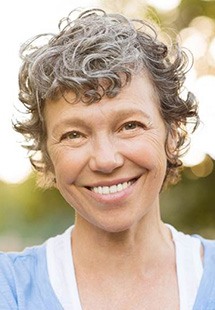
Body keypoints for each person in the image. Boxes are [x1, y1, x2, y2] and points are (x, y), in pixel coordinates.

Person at [0, 8, 215, 310]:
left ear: (173, 134)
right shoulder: (9, 289)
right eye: (74, 134)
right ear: (47, 154)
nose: (105, 160)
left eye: (130, 126)